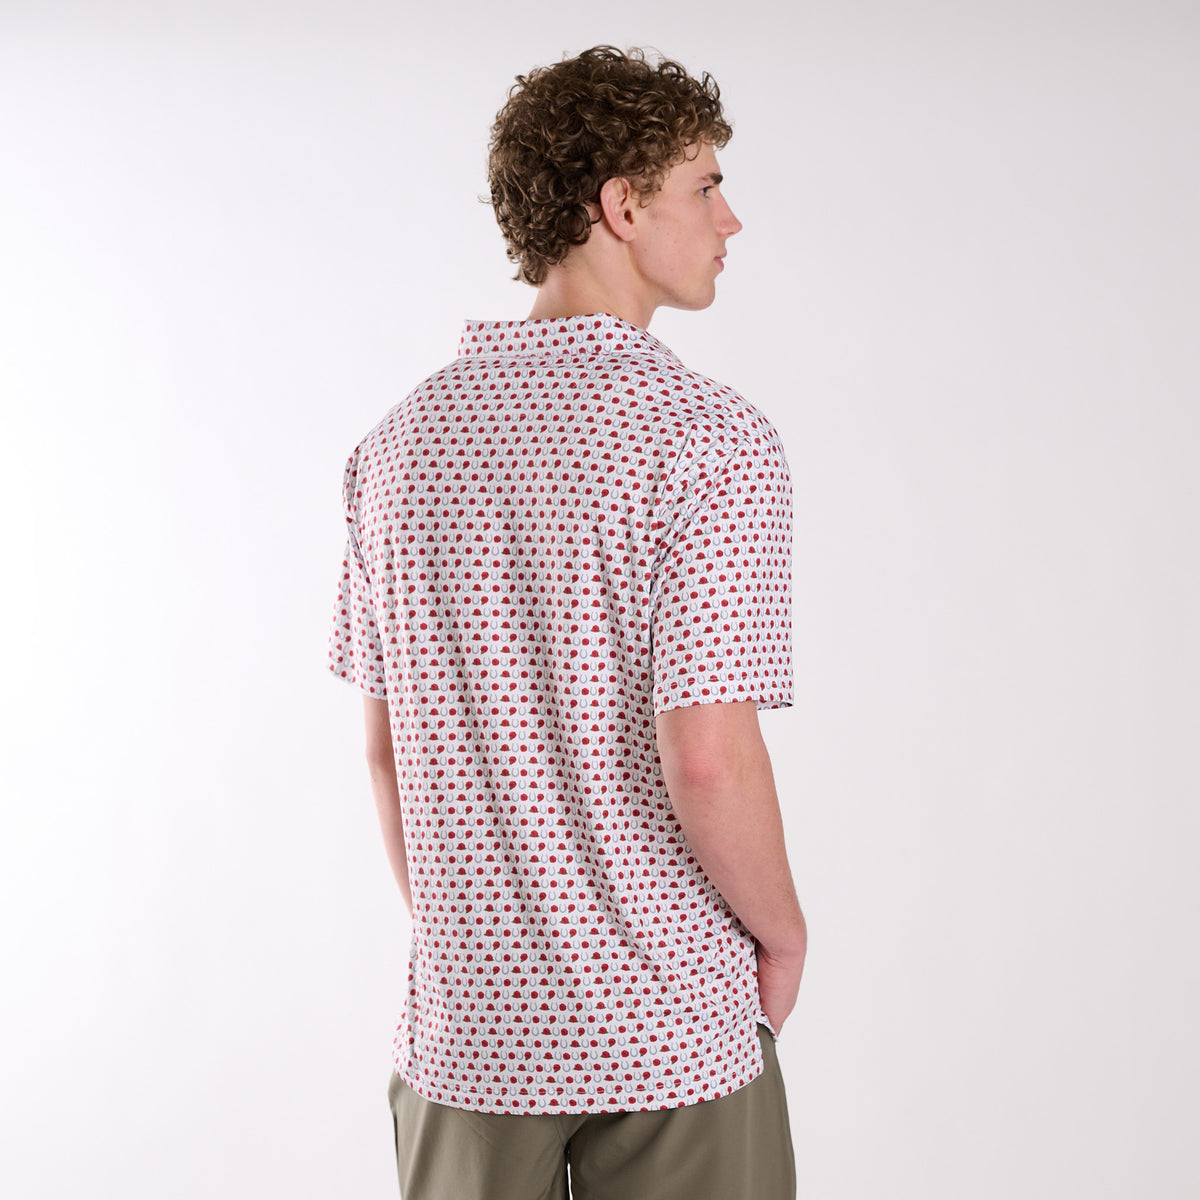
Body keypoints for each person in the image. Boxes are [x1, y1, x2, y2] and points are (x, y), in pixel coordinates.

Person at [327, 44, 807, 1200]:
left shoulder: (394, 451)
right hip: (670, 1022)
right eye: (706, 186)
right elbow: (706, 756)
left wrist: (485, 950)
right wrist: (785, 936)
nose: (731, 220)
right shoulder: (707, 442)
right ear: (622, 206)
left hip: (468, 1029)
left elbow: (388, 753)